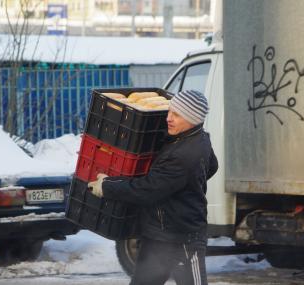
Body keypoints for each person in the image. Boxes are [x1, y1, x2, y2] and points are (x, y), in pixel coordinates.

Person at [88, 89, 218, 285]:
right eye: (169, 111)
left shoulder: (184, 154)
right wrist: (186, 186)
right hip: (159, 237)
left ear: (193, 118)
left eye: (176, 114)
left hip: (183, 239)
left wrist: (108, 186)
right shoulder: (196, 138)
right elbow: (212, 167)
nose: (168, 118)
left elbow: (147, 190)